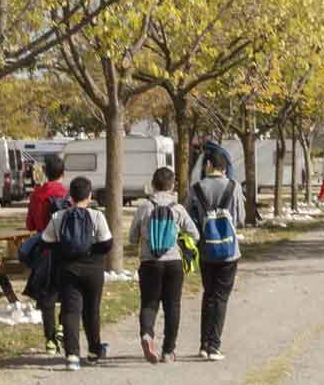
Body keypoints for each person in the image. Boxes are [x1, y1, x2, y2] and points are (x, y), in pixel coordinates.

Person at [126, 165, 197, 364]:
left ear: (153, 185)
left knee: (149, 303)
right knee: (172, 306)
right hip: (173, 262)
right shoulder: (178, 209)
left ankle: (147, 335)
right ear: (172, 185)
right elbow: (195, 233)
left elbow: (132, 238)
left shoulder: (144, 207)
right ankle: (168, 351)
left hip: (149, 263)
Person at [186, 146, 243, 361]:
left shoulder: (196, 188)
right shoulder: (234, 187)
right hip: (229, 250)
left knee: (208, 293)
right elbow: (240, 217)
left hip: (206, 249)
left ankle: (203, 344)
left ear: (208, 165)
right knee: (221, 297)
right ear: (224, 166)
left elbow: (189, 218)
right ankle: (215, 346)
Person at [51, 177, 113, 369]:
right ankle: (94, 350)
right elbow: (107, 243)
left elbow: (46, 240)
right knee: (92, 310)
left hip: (68, 268)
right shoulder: (96, 216)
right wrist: (91, 252)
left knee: (70, 311)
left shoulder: (58, 216)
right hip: (93, 268)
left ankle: (72, 355)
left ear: (70, 195)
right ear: (89, 195)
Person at [22, 154, 71, 352]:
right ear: (63, 173)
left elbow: (30, 224)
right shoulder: (67, 194)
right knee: (68, 291)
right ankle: (62, 326)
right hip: (67, 248)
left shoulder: (36, 195)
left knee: (47, 295)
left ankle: (50, 340)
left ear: (45, 172)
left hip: (45, 249)